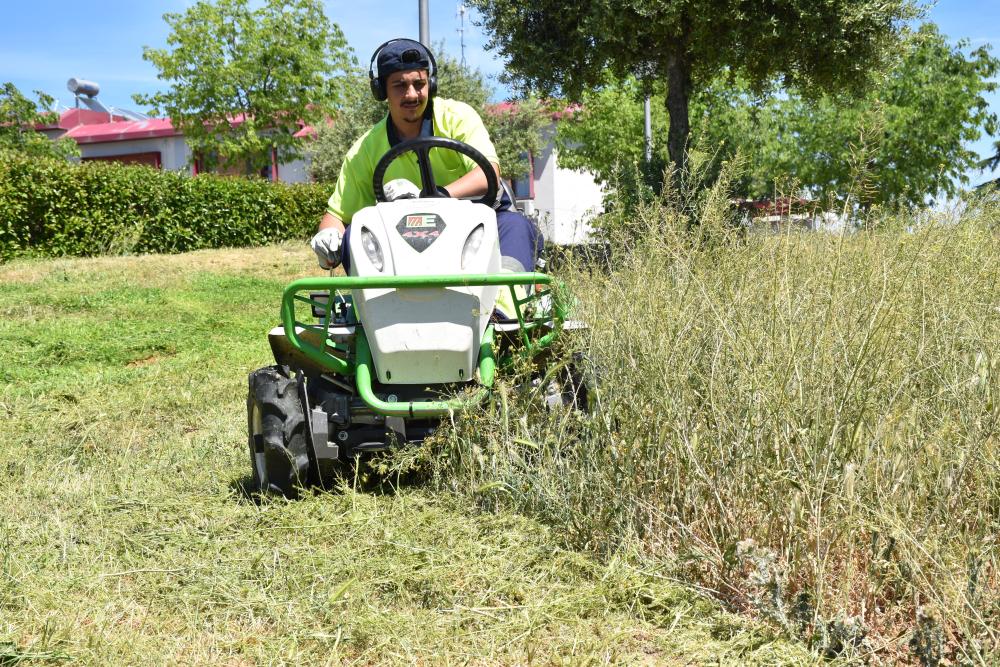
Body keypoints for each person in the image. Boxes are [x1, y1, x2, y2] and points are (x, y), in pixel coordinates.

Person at [310, 38, 542, 281]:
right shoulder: (365, 149)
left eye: (419, 84)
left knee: (515, 227)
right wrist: (328, 236)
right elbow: (337, 215)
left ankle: (501, 312)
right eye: (399, 85)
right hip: (406, 242)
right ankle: (382, 314)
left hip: (478, 227)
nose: (411, 94)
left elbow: (488, 174)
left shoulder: (457, 117)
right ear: (381, 92)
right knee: (352, 237)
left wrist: (433, 198)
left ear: (431, 84)